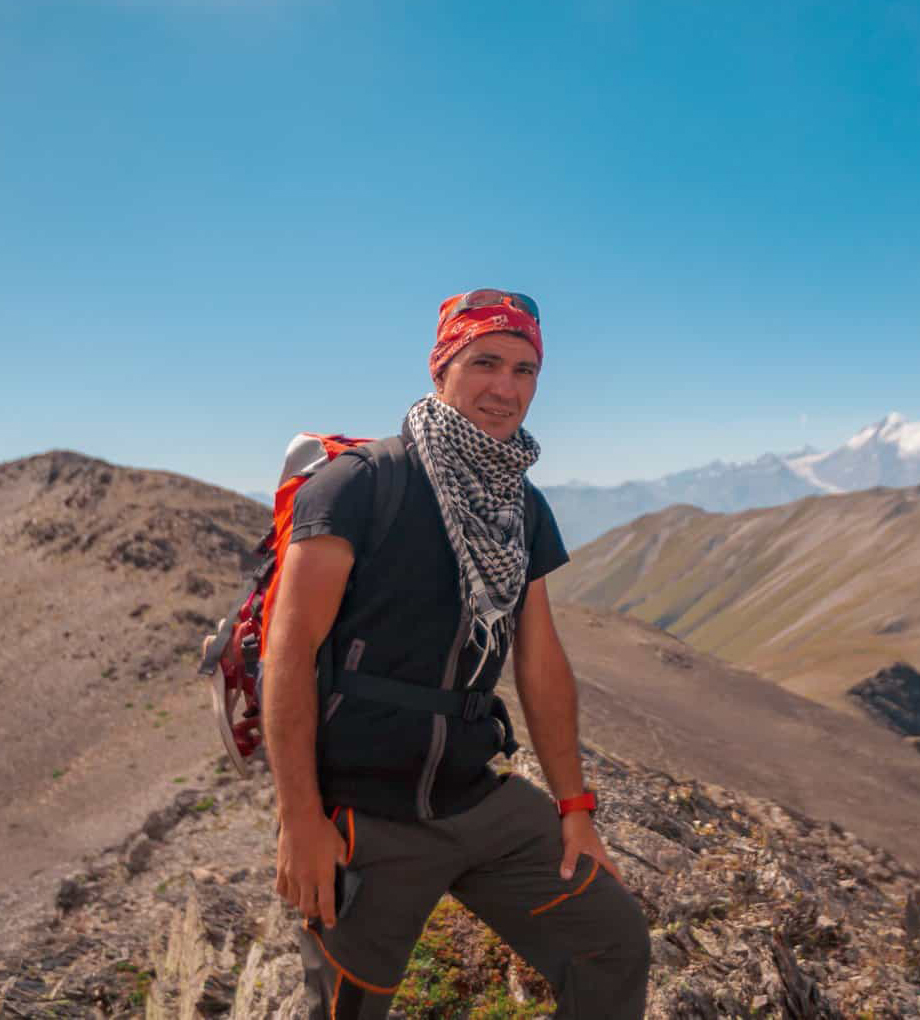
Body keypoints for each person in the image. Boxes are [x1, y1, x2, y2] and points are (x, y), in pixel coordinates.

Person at [262, 290, 651, 1019]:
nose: (506, 387)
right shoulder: (359, 486)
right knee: (343, 1010)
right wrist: (299, 820)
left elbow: (540, 662)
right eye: (486, 362)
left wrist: (575, 810)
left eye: (526, 369)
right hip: (363, 816)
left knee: (613, 942)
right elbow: (287, 656)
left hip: (475, 794)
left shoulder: (520, 505)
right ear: (442, 364)